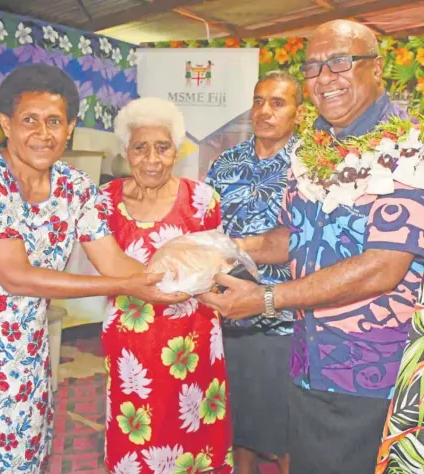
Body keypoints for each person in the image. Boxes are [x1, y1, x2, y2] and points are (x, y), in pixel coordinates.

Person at [201, 20, 424, 474]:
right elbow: (292, 238)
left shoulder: (419, 149)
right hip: (308, 359)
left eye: (340, 61)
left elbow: (383, 267)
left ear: (377, 69)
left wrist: (266, 298)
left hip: (376, 375)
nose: (325, 77)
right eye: (313, 67)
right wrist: (221, 247)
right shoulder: (313, 146)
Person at [0, 65, 184, 473]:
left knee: (21, 459)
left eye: (55, 121)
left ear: (70, 127)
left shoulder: (74, 186)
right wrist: (125, 283)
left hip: (26, 357)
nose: (43, 133)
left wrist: (174, 278)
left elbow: (113, 259)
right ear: (5, 124)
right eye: (29, 120)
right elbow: (15, 275)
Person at [101, 97, 233, 474]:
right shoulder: (104, 202)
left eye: (162, 147)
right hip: (131, 343)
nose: (152, 159)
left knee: (194, 432)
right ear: (126, 152)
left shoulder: (202, 200)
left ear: (177, 150)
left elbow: (216, 260)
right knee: (138, 432)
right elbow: (103, 267)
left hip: (193, 340)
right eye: (140, 148)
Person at [205, 71, 303, 474]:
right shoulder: (227, 161)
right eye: (259, 101)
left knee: (284, 421)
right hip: (226, 307)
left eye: (277, 103)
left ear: (299, 112)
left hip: (284, 311)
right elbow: (207, 226)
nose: (264, 111)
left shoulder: (311, 164)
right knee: (237, 413)